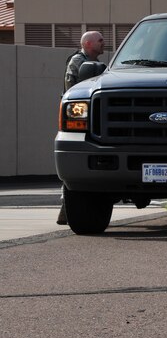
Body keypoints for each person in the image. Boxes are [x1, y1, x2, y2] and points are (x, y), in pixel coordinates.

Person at [58, 30, 105, 225]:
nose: (103, 43)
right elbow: (73, 91)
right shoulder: (77, 62)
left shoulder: (97, 64)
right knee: (74, 172)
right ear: (87, 44)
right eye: (99, 40)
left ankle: (68, 212)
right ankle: (67, 211)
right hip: (81, 121)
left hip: (94, 122)